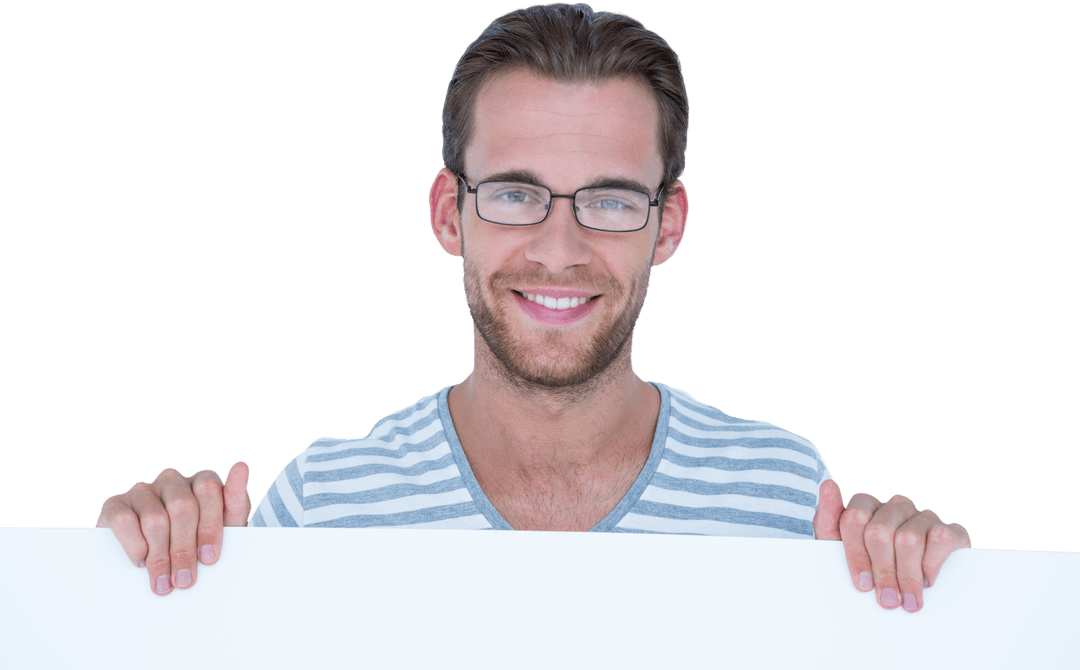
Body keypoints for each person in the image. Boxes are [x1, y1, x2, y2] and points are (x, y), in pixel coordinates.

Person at [96, 2, 970, 612]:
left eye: (612, 199)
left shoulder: (782, 496)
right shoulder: (325, 504)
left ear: (667, 226)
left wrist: (945, 604)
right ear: (449, 214)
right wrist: (132, 580)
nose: (560, 249)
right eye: (516, 194)